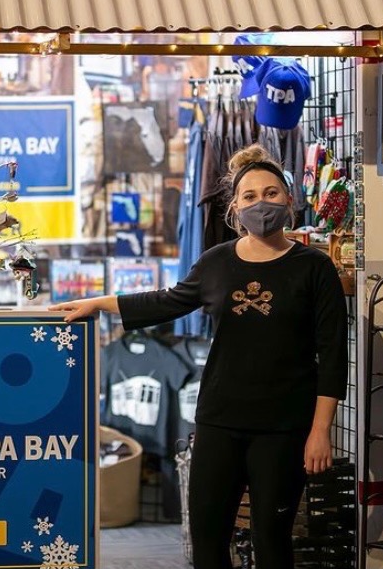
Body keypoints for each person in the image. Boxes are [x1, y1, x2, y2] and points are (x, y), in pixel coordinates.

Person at [49, 144, 348, 569]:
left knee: (272, 540)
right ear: (234, 207)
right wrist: (98, 303)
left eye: (271, 193)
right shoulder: (216, 262)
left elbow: (333, 355)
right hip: (219, 422)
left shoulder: (314, 267)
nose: (261, 203)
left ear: (289, 199)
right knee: (207, 543)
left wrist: (321, 431)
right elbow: (166, 301)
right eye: (249, 196)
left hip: (284, 428)